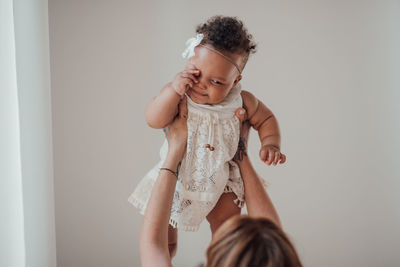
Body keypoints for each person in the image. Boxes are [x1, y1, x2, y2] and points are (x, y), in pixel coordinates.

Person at [128, 15, 286, 249]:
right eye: (196, 73)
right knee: (165, 234)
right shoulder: (178, 93)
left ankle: (220, 260)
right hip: (177, 178)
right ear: (188, 62)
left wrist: (270, 144)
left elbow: (267, 118)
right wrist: (172, 91)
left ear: (235, 81)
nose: (203, 84)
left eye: (218, 82)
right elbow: (154, 119)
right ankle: (166, 257)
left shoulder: (242, 101)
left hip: (221, 179)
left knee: (227, 232)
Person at [139, 97, 302, 266]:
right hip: (216, 165)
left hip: (184, 169)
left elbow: (153, 245)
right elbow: (272, 238)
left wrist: (175, 150)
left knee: (175, 237)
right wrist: (241, 152)